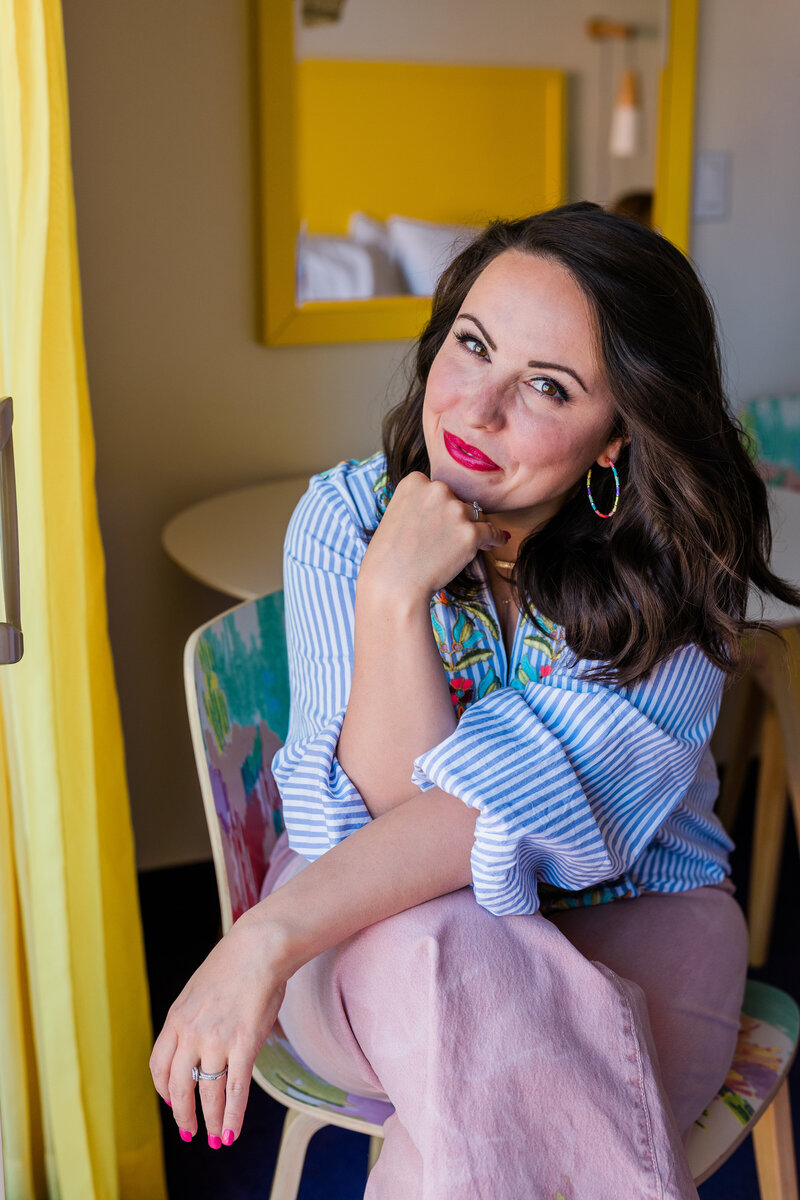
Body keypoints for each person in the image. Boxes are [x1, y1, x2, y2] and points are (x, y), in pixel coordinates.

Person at [150, 202, 799, 1199]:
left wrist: (260, 939)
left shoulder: (673, 566)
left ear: (617, 435)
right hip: (365, 930)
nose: (474, 410)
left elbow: (505, 811)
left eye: (545, 385)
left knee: (478, 1131)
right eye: (471, 346)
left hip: (633, 918)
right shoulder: (345, 517)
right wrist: (391, 592)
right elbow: (368, 831)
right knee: (439, 948)